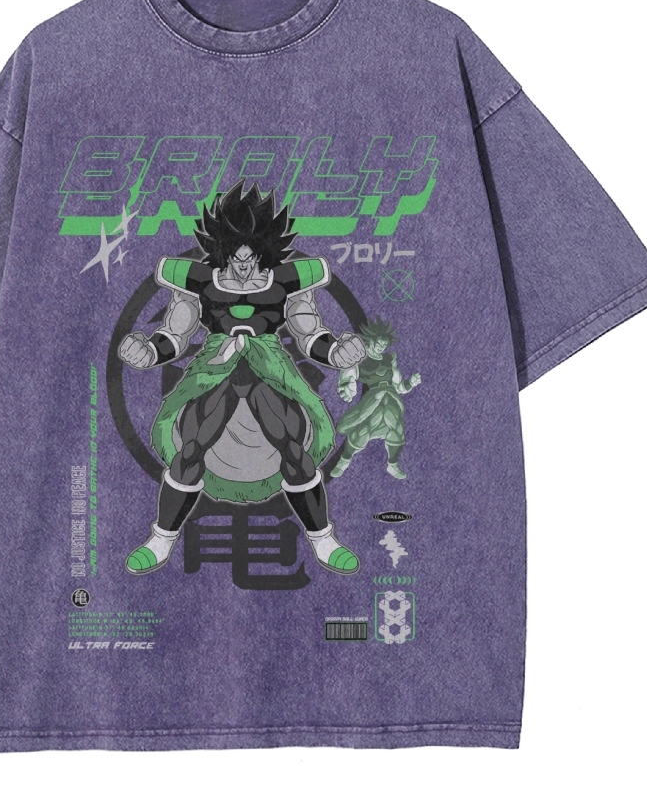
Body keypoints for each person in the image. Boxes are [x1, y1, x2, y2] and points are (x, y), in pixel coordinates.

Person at [117, 179, 366, 575]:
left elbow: (309, 334)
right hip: (215, 367)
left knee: (292, 446)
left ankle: (323, 540)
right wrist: (148, 351)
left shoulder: (288, 281)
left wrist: (338, 351)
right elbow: (175, 334)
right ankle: (161, 539)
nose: (244, 259)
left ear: (266, 246)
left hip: (270, 367)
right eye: (235, 249)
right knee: (192, 447)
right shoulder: (196, 280)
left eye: (251, 249)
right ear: (221, 246)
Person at [330, 317, 421, 479]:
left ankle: (393, 465)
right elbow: (348, 376)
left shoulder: (388, 360)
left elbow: (399, 387)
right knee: (364, 430)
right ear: (371, 340)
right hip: (373, 399)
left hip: (391, 397)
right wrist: (347, 388)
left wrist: (410, 383)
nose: (381, 347)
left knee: (396, 428)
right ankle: (344, 461)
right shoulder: (359, 359)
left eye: (384, 345)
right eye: (379, 343)